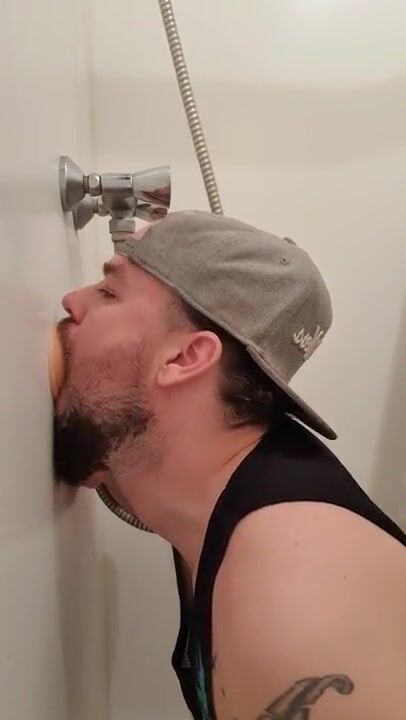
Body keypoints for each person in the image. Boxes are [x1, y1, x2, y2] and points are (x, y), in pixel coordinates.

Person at [53, 210, 406, 720]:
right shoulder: (211, 495)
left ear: (185, 358)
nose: (72, 300)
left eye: (109, 293)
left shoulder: (291, 604)